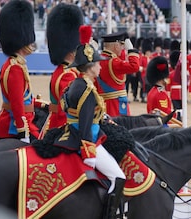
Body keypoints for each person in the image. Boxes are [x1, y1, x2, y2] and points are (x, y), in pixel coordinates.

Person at [53, 25, 126, 218]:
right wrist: (89, 154)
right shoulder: (87, 90)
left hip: (71, 133)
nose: (101, 65)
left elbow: (65, 107)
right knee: (119, 177)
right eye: (98, 63)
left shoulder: (74, 84)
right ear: (90, 66)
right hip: (87, 140)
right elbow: (85, 124)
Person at [0, 0, 40, 142]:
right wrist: (23, 132)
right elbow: (17, 104)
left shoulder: (15, 64)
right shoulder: (15, 68)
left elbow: (23, 98)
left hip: (23, 120)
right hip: (14, 127)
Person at [46, 3, 83, 131]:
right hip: (63, 129)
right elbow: (68, 111)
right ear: (72, 50)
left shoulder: (63, 71)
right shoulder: (68, 75)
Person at [94, 31, 140, 116]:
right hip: (116, 106)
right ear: (116, 45)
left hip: (102, 105)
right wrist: (131, 50)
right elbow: (135, 66)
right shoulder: (113, 62)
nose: (123, 48)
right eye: (121, 45)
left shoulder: (99, 60)